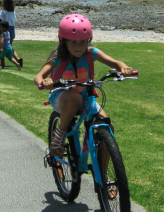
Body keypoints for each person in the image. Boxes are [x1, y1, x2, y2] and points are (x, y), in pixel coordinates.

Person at [34, 14, 135, 157]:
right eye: (73, 43)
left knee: (106, 127)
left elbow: (115, 63)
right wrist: (44, 82)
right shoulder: (58, 57)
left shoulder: (91, 53)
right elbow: (38, 76)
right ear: (64, 42)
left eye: (83, 42)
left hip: (86, 98)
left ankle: (103, 176)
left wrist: (124, 68)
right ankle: (59, 135)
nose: (79, 47)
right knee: (74, 98)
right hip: (61, 98)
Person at [0, 0, 23, 67]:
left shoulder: (3, 11)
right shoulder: (13, 12)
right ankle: (17, 58)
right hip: (11, 29)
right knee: (9, 47)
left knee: (0, 46)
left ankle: (2, 63)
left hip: (3, 28)